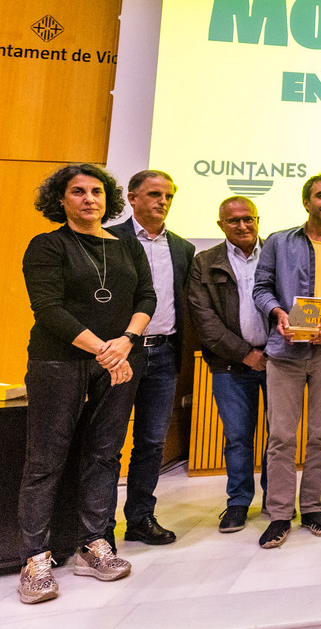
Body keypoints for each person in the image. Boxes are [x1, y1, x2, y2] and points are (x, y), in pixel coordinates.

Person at [18, 164, 154, 604]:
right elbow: (49, 310)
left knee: (104, 453)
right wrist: (106, 350)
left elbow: (146, 297)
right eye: (77, 192)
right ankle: (35, 557)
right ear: (61, 200)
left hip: (118, 359)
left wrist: (128, 341)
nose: (89, 199)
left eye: (96, 191)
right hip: (60, 362)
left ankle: (93, 544)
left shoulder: (129, 247)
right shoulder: (47, 245)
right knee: (47, 458)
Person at [253, 174, 321, 548]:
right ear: (306, 201)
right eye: (320, 195)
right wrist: (277, 312)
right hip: (286, 353)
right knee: (281, 436)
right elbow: (260, 288)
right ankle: (280, 513)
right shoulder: (279, 242)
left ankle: (312, 506)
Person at [109, 170, 195, 546]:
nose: (163, 201)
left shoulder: (182, 247)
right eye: (155, 194)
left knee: (151, 443)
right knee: (107, 442)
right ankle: (96, 527)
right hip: (118, 354)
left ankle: (140, 518)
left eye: (169, 196)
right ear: (132, 197)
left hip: (163, 353)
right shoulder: (110, 238)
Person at [187, 196, 270, 532]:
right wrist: (245, 353)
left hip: (278, 360)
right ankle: (237, 502)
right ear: (221, 225)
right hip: (231, 365)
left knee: (278, 436)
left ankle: (274, 499)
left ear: (258, 220)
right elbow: (204, 319)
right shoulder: (204, 262)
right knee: (237, 435)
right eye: (234, 220)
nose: (243, 225)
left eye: (248, 219)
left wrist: (272, 350)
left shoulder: (275, 255)